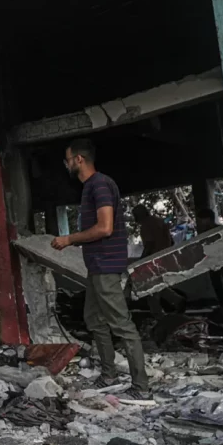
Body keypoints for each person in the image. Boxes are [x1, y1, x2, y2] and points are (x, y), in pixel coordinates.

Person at [51, 139, 149, 393]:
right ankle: (109, 376)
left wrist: (70, 239)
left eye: (67, 160)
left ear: (79, 159)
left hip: (106, 265)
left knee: (121, 325)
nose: (66, 165)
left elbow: (105, 228)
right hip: (96, 266)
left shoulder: (100, 185)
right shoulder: (90, 188)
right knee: (94, 319)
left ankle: (141, 387)